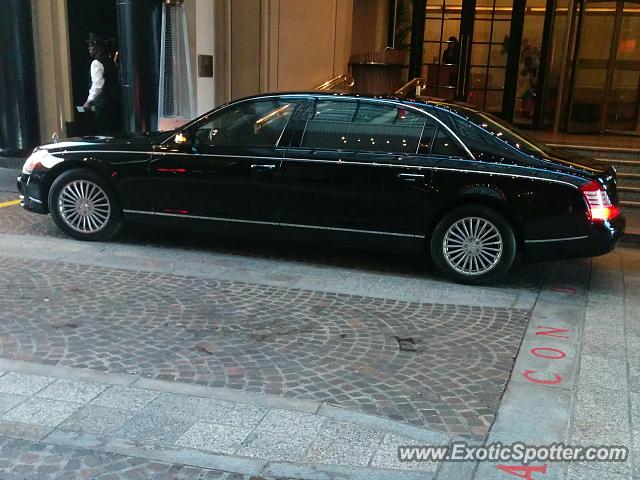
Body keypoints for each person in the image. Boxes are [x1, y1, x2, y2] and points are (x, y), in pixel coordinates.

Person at [82, 33, 122, 136]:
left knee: (105, 134)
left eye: (91, 45)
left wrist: (89, 101)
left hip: (104, 106)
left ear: (97, 47)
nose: (89, 48)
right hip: (115, 103)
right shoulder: (110, 61)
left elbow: (97, 84)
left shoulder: (96, 63)